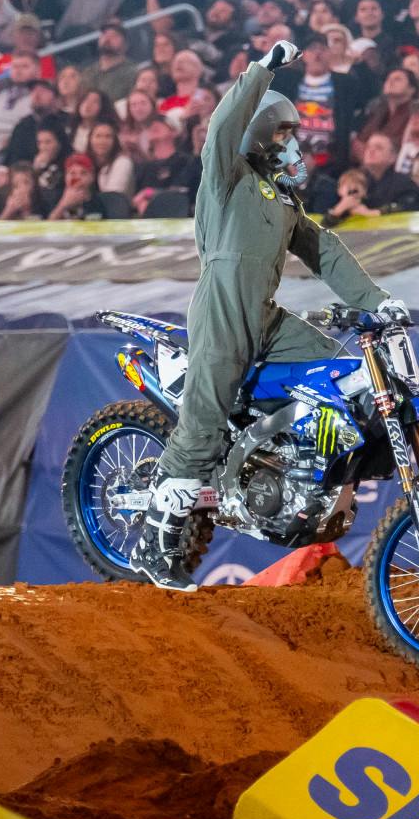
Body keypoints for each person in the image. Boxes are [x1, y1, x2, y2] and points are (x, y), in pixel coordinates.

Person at [138, 41, 396, 589]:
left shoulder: (281, 199)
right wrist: (263, 69)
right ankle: (155, 551)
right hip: (222, 310)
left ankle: (286, 467)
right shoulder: (225, 177)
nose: (292, 144)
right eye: (283, 133)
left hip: (265, 318)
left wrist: (377, 302)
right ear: (257, 133)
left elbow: (324, 251)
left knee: (339, 372)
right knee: (200, 431)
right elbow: (220, 126)